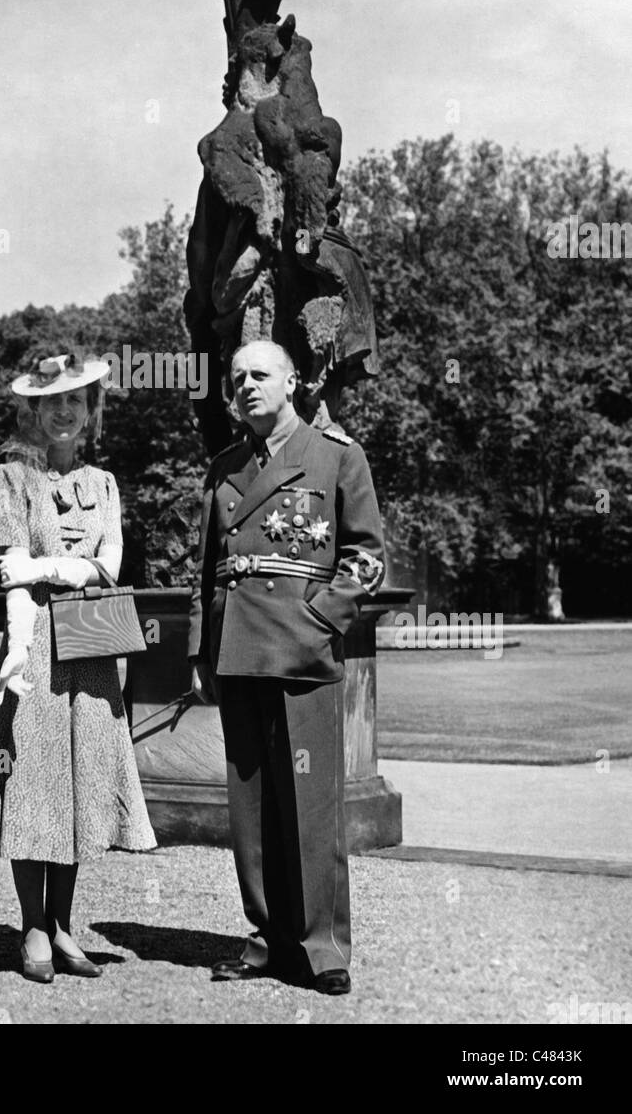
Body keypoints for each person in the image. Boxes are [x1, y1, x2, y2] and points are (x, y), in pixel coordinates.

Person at [188, 340, 385, 993]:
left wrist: (321, 620)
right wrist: (201, 649)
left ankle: (323, 948)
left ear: (293, 381)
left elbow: (366, 557)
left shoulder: (334, 457)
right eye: (237, 376)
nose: (246, 384)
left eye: (261, 374)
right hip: (239, 650)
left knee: (311, 808)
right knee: (250, 811)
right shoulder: (225, 467)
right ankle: (267, 936)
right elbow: (205, 573)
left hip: (301, 652)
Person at [0, 352, 156, 983]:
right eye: (51, 401)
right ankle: (32, 926)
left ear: (90, 413)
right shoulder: (10, 478)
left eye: (76, 401)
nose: (64, 411)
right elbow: (12, 577)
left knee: (80, 784)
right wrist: (18, 654)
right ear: (33, 411)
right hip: (35, 641)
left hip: (91, 644)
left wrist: (44, 567)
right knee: (33, 784)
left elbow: (108, 567)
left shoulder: (105, 484)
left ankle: (63, 925)